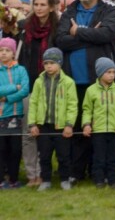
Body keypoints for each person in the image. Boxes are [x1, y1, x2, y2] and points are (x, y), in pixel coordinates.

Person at [56, 0, 115, 183]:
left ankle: (98, 172)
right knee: (76, 129)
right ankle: (76, 172)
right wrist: (89, 35)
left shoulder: (110, 11)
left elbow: (106, 35)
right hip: (73, 81)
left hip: (100, 82)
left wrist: (77, 32)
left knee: (99, 129)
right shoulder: (70, 11)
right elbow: (61, 41)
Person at [18, 0, 60, 187]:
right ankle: (32, 174)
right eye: (36, 4)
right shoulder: (24, 29)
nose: (39, 8)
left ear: (51, 7)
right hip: (28, 85)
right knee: (29, 131)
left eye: (43, 4)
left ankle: (46, 172)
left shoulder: (58, 29)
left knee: (47, 132)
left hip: (50, 85)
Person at [28, 47, 78, 191]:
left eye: (52, 63)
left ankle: (64, 179)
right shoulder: (39, 82)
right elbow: (33, 103)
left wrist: (69, 124)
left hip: (61, 126)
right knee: (44, 155)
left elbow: (72, 105)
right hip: (43, 126)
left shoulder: (68, 82)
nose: (49, 66)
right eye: (46, 63)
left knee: (63, 155)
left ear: (60, 64)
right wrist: (32, 124)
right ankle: (46, 180)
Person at [82, 57, 115, 189]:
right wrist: (86, 124)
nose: (111, 75)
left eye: (113, 72)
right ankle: (99, 179)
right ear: (100, 73)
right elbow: (87, 110)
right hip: (98, 131)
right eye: (108, 72)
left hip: (114, 131)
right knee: (99, 156)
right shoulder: (91, 91)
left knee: (112, 157)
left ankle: (113, 180)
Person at [0, 38, 29, 189]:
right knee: (1, 148)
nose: (4, 53)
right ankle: (1, 180)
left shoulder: (21, 70)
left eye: (7, 50)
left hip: (16, 115)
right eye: (1, 50)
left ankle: (14, 179)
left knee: (15, 149)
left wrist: (7, 97)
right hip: (1, 115)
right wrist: (13, 87)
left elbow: (24, 89)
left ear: (13, 53)